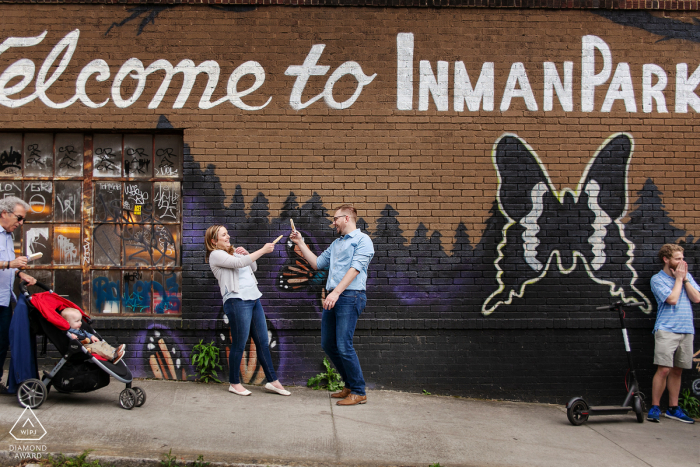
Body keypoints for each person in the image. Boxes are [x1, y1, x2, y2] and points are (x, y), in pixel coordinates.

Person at [289, 204, 374, 406]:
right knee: (328, 343)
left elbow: (355, 269)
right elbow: (317, 263)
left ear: (347, 218)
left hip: (350, 296)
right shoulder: (336, 244)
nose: (333, 222)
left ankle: (359, 391)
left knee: (344, 345)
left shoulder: (363, 240)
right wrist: (300, 242)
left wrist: (335, 293)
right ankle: (349, 384)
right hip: (333, 297)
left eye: (335, 219)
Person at [205, 225, 290, 396]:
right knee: (240, 343)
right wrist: (262, 251)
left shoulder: (233, 251)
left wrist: (246, 254)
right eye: (223, 235)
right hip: (237, 301)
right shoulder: (216, 255)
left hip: (253, 298)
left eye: (227, 233)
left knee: (262, 341)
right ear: (214, 241)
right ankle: (234, 383)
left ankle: (273, 381)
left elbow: (252, 268)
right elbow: (238, 263)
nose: (228, 236)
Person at [648, 243, 700, 423]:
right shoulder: (657, 279)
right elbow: (671, 299)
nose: (682, 262)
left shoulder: (687, 277)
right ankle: (655, 407)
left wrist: (685, 279)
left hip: (686, 329)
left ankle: (673, 408)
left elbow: (697, 298)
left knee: (677, 371)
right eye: (677, 259)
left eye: (682, 258)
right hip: (666, 329)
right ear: (666, 259)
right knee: (663, 369)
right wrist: (678, 280)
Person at [0, 197, 36, 394]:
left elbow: (8, 263)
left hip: (4, 298)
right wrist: (9, 264)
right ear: (5, 213)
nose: (21, 223)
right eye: (19, 218)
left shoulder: (7, 235)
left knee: (3, 341)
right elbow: (5, 263)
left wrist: (20, 273)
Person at [61, 308, 125, 364]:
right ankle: (113, 357)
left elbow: (86, 333)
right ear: (67, 322)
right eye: (77, 321)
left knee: (101, 343)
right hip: (83, 347)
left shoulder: (79, 329)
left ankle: (114, 350)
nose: (80, 323)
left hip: (90, 343)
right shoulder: (69, 332)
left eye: (80, 320)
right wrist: (72, 337)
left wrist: (92, 336)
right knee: (97, 348)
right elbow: (68, 341)